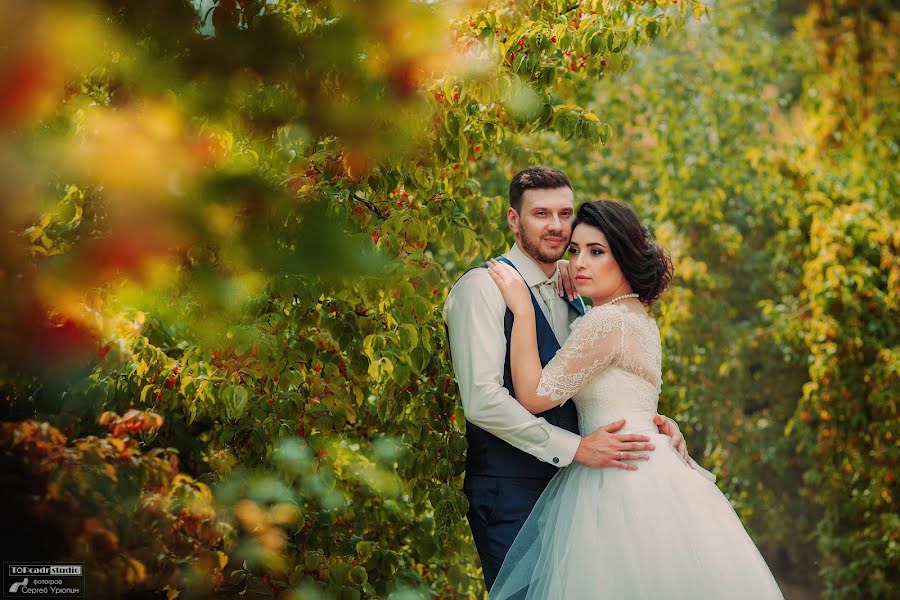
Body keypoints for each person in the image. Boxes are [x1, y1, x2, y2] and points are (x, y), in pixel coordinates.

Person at [485, 200, 784, 599]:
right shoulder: (640, 318)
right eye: (574, 252)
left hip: (616, 477)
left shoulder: (606, 321)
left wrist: (522, 309)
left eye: (596, 252)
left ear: (623, 257)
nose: (579, 264)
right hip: (653, 465)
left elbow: (535, 395)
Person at [442, 167, 691, 590]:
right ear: (513, 219)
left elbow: (594, 379)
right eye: (541, 214)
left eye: (564, 213)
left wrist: (647, 419)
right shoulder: (482, 289)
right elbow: (483, 401)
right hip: (512, 492)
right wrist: (575, 448)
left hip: (583, 494)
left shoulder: (574, 291)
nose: (556, 227)